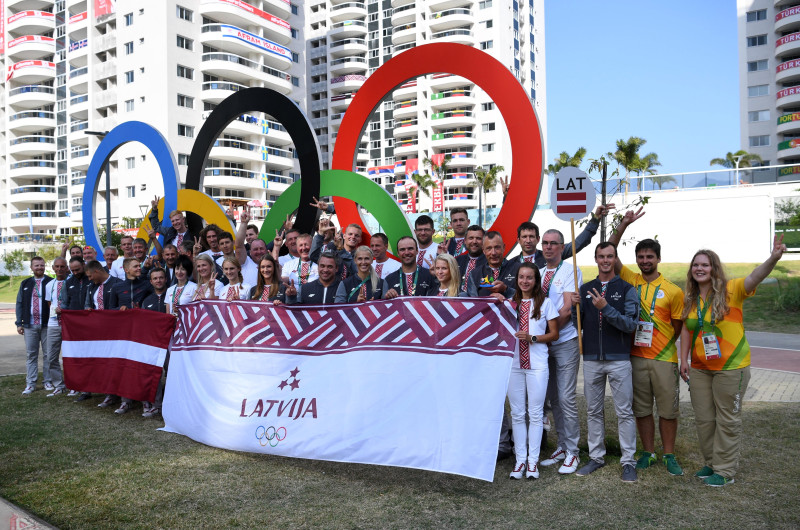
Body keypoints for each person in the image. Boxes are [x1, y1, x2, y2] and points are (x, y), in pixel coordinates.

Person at [679, 237, 787, 487]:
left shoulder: (733, 289)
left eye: (705, 265)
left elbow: (754, 277)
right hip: (700, 369)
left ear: (714, 268)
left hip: (731, 368)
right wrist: (682, 359)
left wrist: (773, 258)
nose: (699, 269)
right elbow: (687, 329)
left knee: (727, 418)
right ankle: (711, 462)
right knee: (704, 419)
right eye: (696, 265)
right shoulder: (690, 298)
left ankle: (725, 470)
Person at [608, 209, 686, 476]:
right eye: (640, 257)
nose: (644, 261)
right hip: (636, 357)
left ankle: (669, 454)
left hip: (664, 359)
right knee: (641, 409)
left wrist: (665, 346)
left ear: (658, 259)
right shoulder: (631, 280)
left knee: (667, 410)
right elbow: (610, 251)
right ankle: (648, 452)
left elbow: (677, 327)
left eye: (649, 257)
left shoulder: (674, 291)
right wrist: (623, 224)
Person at [572, 242, 639, 482]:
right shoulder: (586, 288)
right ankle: (596, 457)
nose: (605, 261)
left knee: (624, 411)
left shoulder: (627, 288)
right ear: (596, 259)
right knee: (592, 410)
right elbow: (576, 323)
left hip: (619, 359)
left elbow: (631, 325)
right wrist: (574, 306)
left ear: (615, 258)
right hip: (591, 359)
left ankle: (628, 461)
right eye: (601, 257)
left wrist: (606, 308)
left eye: (610, 256)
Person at [538, 229, 584, 474]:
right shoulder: (540, 272)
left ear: (562, 246)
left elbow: (566, 310)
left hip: (564, 341)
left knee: (566, 398)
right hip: (545, 344)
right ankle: (563, 445)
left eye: (553, 244)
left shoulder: (569, 271)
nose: (547, 247)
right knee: (554, 398)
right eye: (544, 243)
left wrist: (549, 334)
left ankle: (574, 452)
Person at [508, 263, 559, 479]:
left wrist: (533, 338)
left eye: (529, 277)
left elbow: (554, 334)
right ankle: (519, 461)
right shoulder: (511, 304)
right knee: (517, 414)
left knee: (536, 414)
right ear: (517, 279)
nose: (525, 281)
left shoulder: (545, 304)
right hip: (514, 364)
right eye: (521, 277)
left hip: (537, 365)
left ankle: (532, 462)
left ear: (536, 281)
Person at [512, 205, 612, 265]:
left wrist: (595, 219)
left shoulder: (550, 254)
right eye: (524, 237)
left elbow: (578, 244)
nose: (528, 240)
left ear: (538, 239)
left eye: (531, 236)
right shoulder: (511, 264)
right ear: (518, 240)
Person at [79, 260, 121, 405]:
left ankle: (118, 393)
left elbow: (121, 306)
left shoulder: (117, 283)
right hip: (98, 332)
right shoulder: (92, 287)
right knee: (101, 362)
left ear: (97, 271)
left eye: (90, 276)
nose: (89, 279)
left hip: (114, 331)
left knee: (114, 362)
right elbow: (88, 305)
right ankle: (107, 392)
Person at [16, 256, 53, 395]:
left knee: (48, 355)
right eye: (36, 265)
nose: (39, 268)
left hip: (47, 324)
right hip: (29, 325)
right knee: (31, 355)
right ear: (31, 267)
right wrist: (19, 323)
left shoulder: (51, 282)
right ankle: (30, 383)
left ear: (45, 266)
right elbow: (19, 304)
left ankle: (48, 381)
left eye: (42, 265)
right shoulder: (25, 283)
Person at [140, 267, 170, 419]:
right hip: (154, 343)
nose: (158, 281)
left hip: (171, 342)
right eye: (155, 278)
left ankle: (173, 404)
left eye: (161, 277)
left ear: (165, 279)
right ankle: (156, 405)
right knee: (155, 375)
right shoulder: (147, 300)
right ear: (151, 281)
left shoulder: (171, 296)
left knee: (172, 373)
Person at [43, 258, 69, 397]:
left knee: (69, 357)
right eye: (57, 266)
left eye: (62, 266)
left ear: (66, 268)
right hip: (53, 324)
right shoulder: (49, 285)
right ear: (53, 268)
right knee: (51, 357)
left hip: (68, 324)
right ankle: (59, 384)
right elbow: (49, 304)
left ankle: (72, 384)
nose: (59, 269)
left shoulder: (70, 282)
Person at [464, 231, 516, 300]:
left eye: (497, 247)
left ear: (504, 247)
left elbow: (528, 297)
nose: (493, 253)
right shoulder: (474, 274)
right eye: (489, 248)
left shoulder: (518, 269)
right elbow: (473, 304)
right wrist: (489, 300)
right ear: (483, 250)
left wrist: (506, 290)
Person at [281, 233, 318, 297]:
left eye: (306, 245)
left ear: (312, 246)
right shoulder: (288, 264)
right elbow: (283, 281)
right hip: (293, 299)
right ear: (297, 248)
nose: (303, 248)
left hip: (313, 300)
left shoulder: (319, 265)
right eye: (301, 245)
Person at [456, 225, 486, 293]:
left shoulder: (490, 262)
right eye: (471, 238)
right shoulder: (457, 261)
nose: (474, 241)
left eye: (478, 238)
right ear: (465, 241)